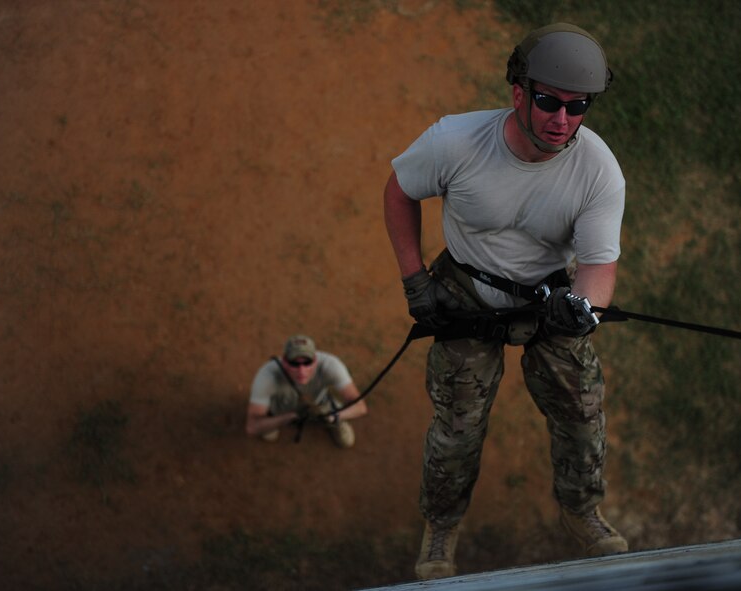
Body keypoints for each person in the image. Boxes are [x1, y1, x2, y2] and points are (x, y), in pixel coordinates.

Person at [383, 23, 628, 580]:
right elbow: (400, 191)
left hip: (551, 297)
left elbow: (597, 264)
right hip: (465, 293)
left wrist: (583, 309)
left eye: (577, 106)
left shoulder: (598, 171)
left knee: (582, 413)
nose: (561, 119)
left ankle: (582, 508)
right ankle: (441, 528)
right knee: (457, 429)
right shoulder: (455, 143)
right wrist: (415, 281)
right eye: (548, 101)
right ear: (519, 93)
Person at [245, 334, 367, 448]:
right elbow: (252, 426)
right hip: (283, 405)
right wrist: (287, 418)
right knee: (269, 435)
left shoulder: (331, 365)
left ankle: (335, 422)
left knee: (347, 441)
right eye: (294, 364)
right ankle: (274, 417)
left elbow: (360, 407)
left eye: (307, 363)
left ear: (315, 361)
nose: (301, 371)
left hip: (319, 402)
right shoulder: (267, 376)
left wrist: (334, 417)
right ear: (284, 362)